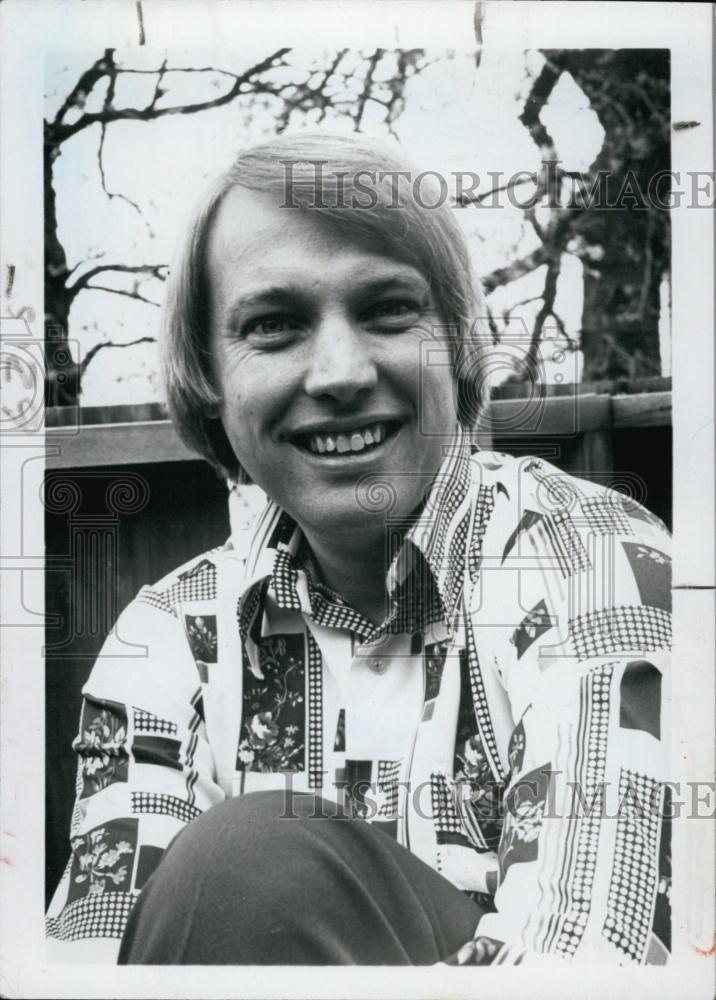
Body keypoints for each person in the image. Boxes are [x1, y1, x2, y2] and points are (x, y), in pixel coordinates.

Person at [46, 132, 672, 966]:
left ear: (458, 344)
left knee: (255, 861)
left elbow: (596, 964)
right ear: (210, 380)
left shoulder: (600, 565)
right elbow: (98, 962)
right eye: (274, 325)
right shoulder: (164, 640)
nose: (339, 372)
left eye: (387, 310)